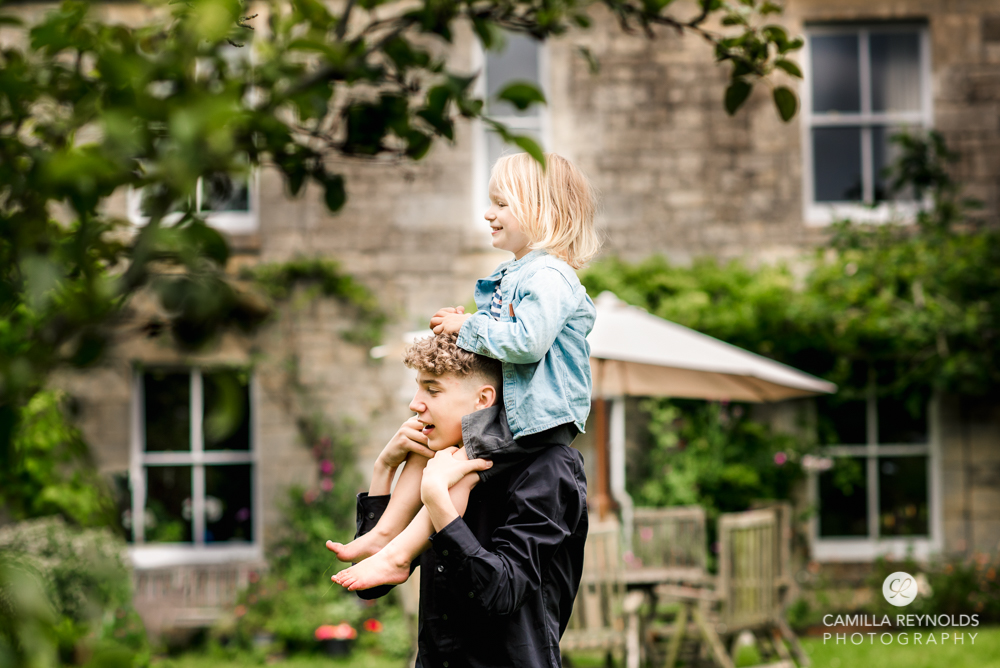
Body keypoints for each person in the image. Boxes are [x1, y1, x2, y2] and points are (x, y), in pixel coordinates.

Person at [328, 152, 600, 592]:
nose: (489, 214)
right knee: (425, 443)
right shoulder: (516, 273)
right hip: (516, 417)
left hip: (537, 422)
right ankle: (382, 535)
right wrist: (466, 325)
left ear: (543, 212)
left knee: (456, 466)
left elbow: (528, 342)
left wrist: (469, 326)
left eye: (502, 203)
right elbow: (496, 348)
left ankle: (398, 555)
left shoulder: (551, 275)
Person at [337, 333, 588, 668]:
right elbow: (372, 585)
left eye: (432, 389)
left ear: (483, 399)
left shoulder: (549, 468)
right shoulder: (437, 460)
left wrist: (439, 506)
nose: (415, 403)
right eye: (418, 387)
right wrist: (383, 470)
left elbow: (502, 592)